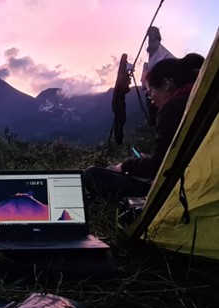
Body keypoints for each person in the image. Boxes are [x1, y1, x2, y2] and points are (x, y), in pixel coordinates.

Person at [84, 53, 205, 201]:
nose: (151, 100)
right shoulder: (203, 98)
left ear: (166, 84)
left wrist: (126, 165)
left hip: (176, 190)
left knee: (92, 174)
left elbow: (157, 167)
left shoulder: (172, 108)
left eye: (150, 91)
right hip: (198, 180)